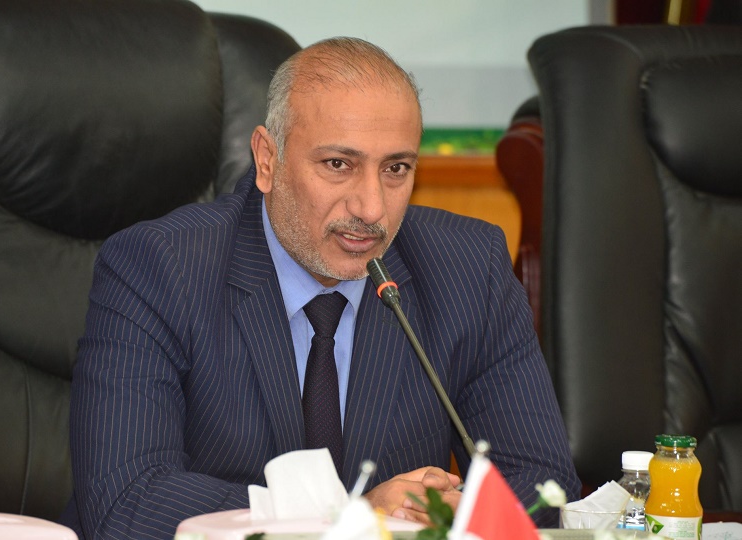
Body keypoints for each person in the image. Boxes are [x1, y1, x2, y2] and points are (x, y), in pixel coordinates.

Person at [62, 36, 580, 539]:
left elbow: (543, 487)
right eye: (338, 165)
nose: (371, 208)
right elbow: (127, 502)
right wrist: (349, 518)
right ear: (268, 161)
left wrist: (448, 515)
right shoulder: (159, 267)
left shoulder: (467, 269)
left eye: (396, 169)